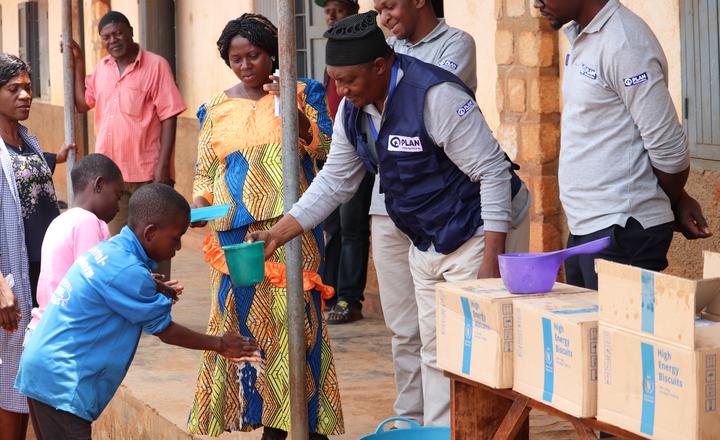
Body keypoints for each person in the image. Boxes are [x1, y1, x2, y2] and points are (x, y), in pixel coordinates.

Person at [249, 11, 531, 427]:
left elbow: (491, 173)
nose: (340, 91)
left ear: (381, 66)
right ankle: (438, 433)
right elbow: (334, 183)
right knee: (435, 347)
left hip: (476, 228)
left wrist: (492, 260)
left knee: (480, 346)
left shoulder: (435, 96)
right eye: (335, 80)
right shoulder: (353, 110)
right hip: (427, 237)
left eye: (349, 80)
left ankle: (492, 432)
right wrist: (278, 232)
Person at [187, 15, 343, 439]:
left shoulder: (305, 92)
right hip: (234, 237)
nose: (245, 66)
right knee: (247, 326)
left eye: (252, 55)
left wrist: (293, 111)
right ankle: (263, 417)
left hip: (293, 231)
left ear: (272, 53)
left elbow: (328, 152)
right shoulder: (214, 108)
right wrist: (197, 205)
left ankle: (304, 424)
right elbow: (206, 172)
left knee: (298, 323)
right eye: (235, 59)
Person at [14, 183, 261, 440]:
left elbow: (116, 283)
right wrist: (221, 344)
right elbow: (166, 331)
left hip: (43, 369)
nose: (177, 248)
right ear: (151, 232)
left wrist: (150, 284)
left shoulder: (111, 250)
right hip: (62, 382)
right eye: (176, 238)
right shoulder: (129, 272)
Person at [534, 0, 711, 290]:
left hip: (621, 232)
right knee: (588, 334)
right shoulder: (585, 36)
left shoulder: (625, 41)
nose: (536, 2)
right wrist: (677, 199)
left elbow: (670, 149)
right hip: (587, 227)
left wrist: (669, 199)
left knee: (613, 335)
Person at [371, 0, 480, 425]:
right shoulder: (379, 49)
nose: (383, 17)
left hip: (441, 210)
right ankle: (409, 419)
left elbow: (422, 98)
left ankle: (445, 424)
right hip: (387, 207)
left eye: (389, 5)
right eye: (377, 9)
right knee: (403, 328)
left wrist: (377, 68)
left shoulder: (457, 44)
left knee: (445, 333)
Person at [64, 10, 187, 280]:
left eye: (118, 33)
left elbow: (169, 116)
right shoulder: (102, 69)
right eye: (106, 37)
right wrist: (78, 62)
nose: (113, 40)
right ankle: (126, 309)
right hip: (110, 180)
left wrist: (162, 170)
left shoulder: (156, 66)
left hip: (147, 176)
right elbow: (83, 103)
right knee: (116, 248)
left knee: (155, 247)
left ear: (130, 31)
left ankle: (157, 313)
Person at [0, 53, 75, 440]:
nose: (25, 95)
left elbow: (36, 177)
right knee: (11, 377)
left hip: (42, 276)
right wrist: (1, 287)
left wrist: (57, 158)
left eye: (28, 87)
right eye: (14, 89)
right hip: (11, 281)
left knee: (34, 374)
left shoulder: (28, 142)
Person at [313, 0, 371, 325]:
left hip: (359, 152)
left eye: (338, 9)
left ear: (354, 9)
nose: (332, 16)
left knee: (352, 227)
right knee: (331, 226)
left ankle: (350, 298)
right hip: (335, 149)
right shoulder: (333, 54)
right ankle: (330, 291)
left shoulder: (361, 52)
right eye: (328, 11)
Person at [26, 153, 124, 338]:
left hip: (42, 329)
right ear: (99, 185)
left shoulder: (61, 220)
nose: (118, 207)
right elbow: (95, 283)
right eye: (117, 196)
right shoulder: (86, 222)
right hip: (63, 334)